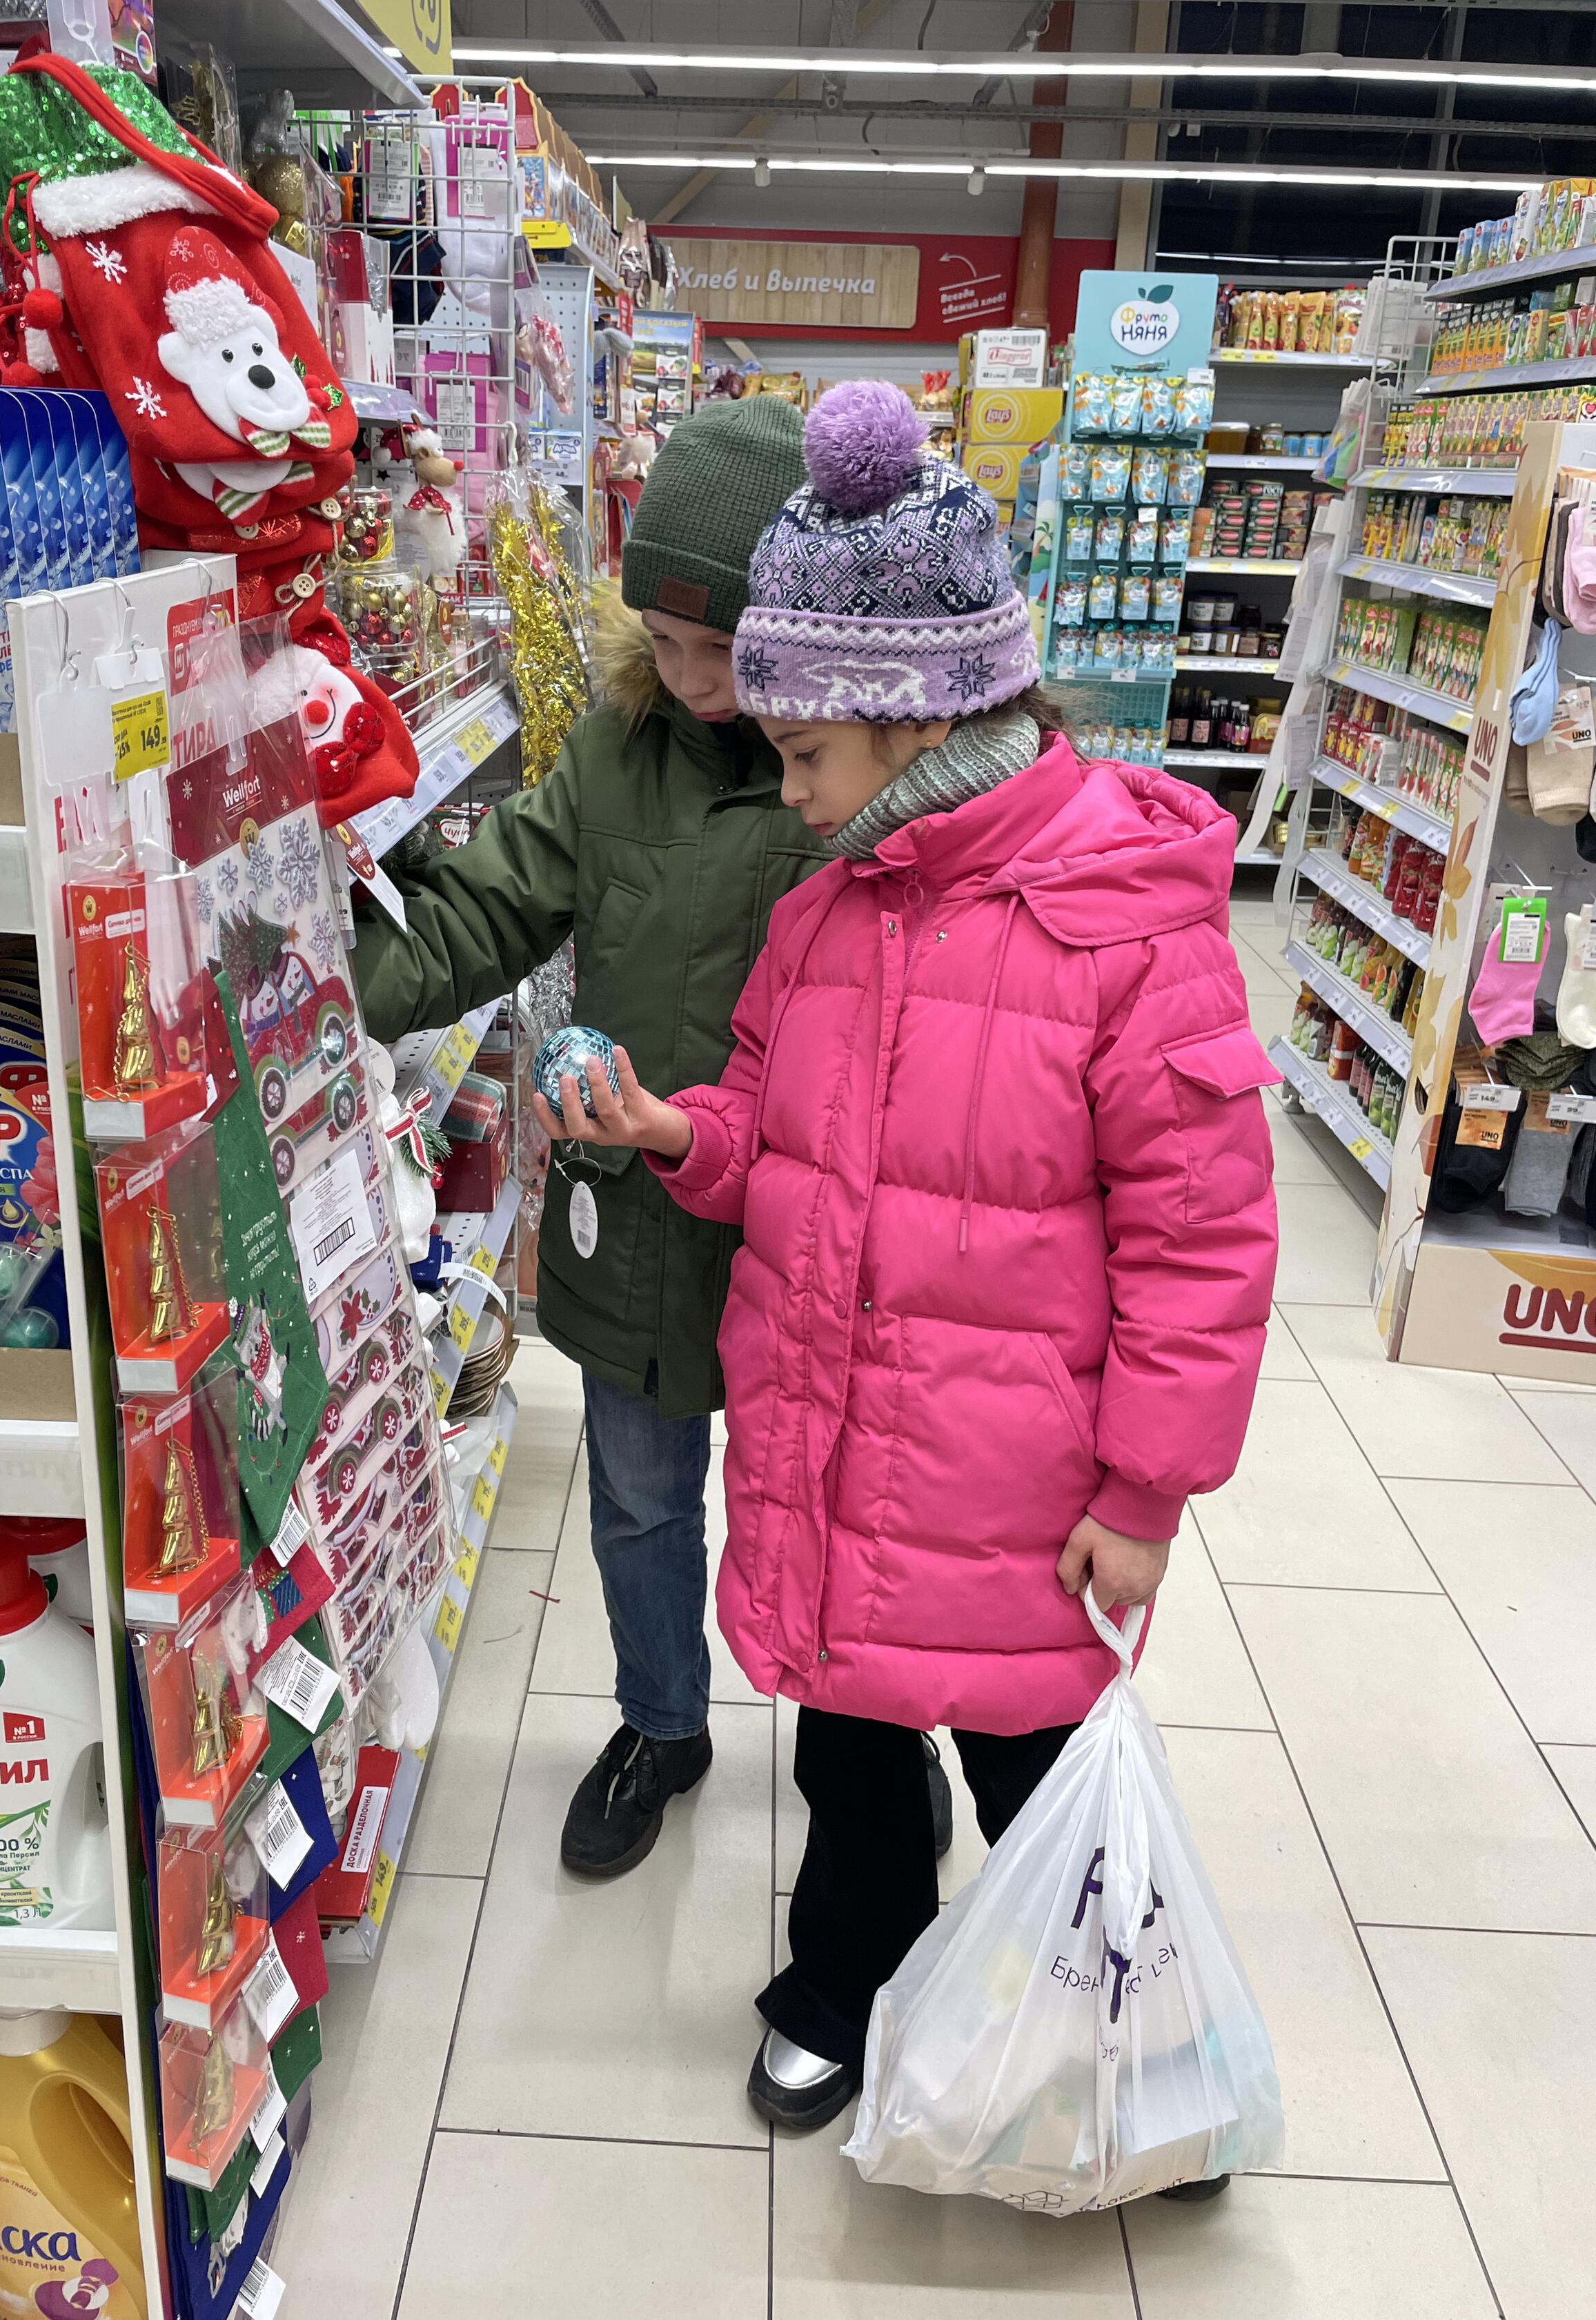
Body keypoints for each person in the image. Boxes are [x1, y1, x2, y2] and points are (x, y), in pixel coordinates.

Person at [533, 381, 1279, 2162]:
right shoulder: (827, 906)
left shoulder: (1123, 923)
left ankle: (1140, 2047)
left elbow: (1202, 1238)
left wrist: (1144, 1493)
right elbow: (772, 1127)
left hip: (1017, 1488)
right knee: (850, 1744)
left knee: (1037, 1768)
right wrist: (675, 1131)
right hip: (836, 1442)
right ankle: (842, 1974)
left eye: (804, 755)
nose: (784, 791)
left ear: (918, 714)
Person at [353, 396, 955, 1878]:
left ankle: (872, 1752)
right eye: (666, 641)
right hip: (636, 1206)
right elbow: (490, 906)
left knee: (847, 1500)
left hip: (820, 1219)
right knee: (637, 1495)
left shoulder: (872, 761)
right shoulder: (617, 749)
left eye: (724, 649)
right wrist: (320, 978)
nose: (690, 680)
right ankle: (661, 1722)